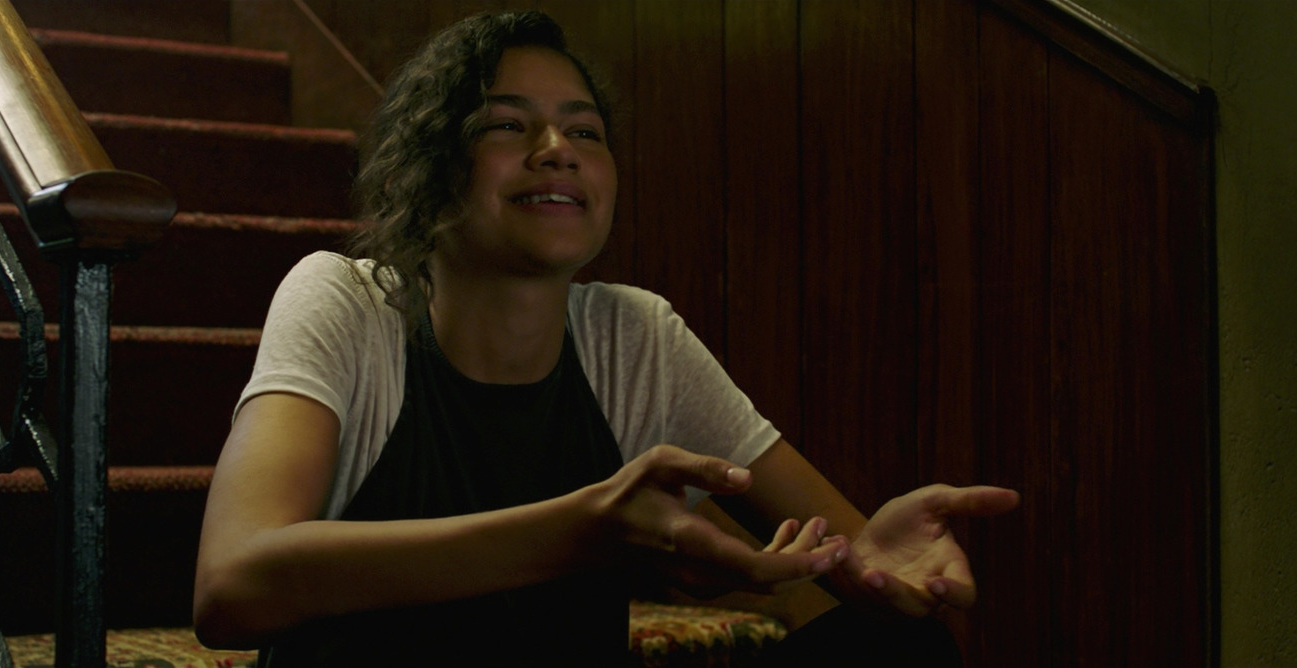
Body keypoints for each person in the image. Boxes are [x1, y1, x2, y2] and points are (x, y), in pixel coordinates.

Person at [192, 10, 1019, 667]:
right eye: (506, 126)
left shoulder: (634, 335)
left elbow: (843, 546)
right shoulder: (346, 300)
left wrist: (873, 561)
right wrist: (580, 531)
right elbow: (231, 586)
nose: (557, 152)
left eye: (584, 133)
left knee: (894, 647)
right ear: (430, 166)